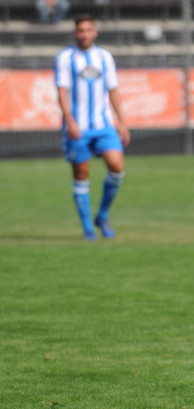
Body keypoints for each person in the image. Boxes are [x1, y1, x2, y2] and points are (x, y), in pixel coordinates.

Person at [55, 14, 130, 240]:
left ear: (95, 32)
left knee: (116, 166)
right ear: (75, 33)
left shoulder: (105, 57)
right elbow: (62, 92)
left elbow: (113, 90)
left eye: (88, 30)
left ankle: (102, 215)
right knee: (81, 174)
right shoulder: (66, 58)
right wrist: (70, 122)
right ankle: (88, 228)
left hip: (103, 124)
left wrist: (122, 122)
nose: (84, 34)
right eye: (81, 30)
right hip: (78, 126)